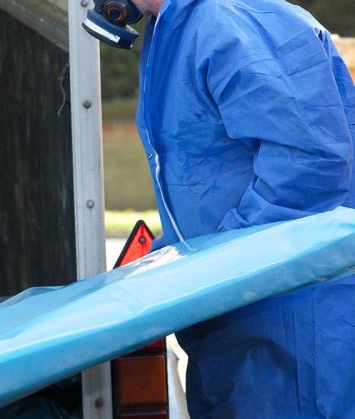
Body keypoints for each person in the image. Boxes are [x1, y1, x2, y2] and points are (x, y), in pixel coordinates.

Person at [126, 0, 355, 417]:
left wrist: (207, 269)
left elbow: (307, 169)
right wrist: (167, 258)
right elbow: (207, 181)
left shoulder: (231, 19)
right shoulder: (177, 26)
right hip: (239, 332)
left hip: (292, 335)